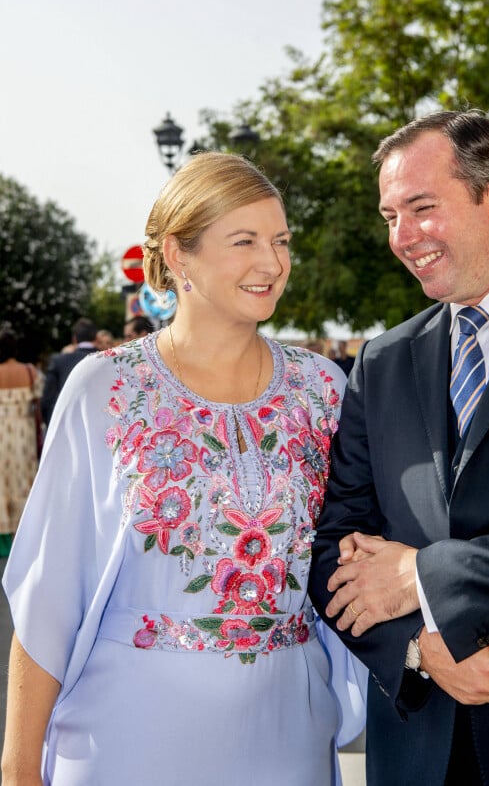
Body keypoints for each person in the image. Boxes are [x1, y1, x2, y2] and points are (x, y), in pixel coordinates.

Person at [2, 151, 365, 786]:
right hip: (127, 738)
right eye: (245, 240)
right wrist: (18, 769)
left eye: (281, 241)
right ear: (177, 255)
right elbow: (48, 595)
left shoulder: (325, 390)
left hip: (289, 735)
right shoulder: (104, 388)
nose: (272, 263)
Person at [309, 109, 489, 786]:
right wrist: (421, 653)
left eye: (421, 207)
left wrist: (427, 575)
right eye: (389, 216)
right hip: (418, 749)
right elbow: (335, 546)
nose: (402, 236)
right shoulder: (381, 361)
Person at [0, 326, 43, 557]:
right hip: (23, 432)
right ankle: (24, 532)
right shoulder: (29, 372)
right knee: (23, 478)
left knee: (1, 480)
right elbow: (38, 405)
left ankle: (3, 534)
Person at [40, 317, 98, 425]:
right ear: (95, 337)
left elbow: (47, 401)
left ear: (74, 338)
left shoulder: (59, 361)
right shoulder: (107, 359)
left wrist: (52, 425)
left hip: (67, 425)